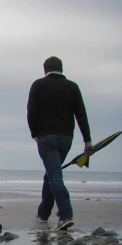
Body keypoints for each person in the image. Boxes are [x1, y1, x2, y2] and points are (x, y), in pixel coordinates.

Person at [27, 56, 92, 231]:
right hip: (65, 138)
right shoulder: (72, 86)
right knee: (51, 173)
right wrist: (87, 140)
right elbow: (81, 115)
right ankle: (43, 213)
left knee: (55, 175)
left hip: (46, 137)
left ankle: (65, 216)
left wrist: (34, 133)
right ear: (61, 69)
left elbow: (31, 111)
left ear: (44, 69)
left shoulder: (38, 85)